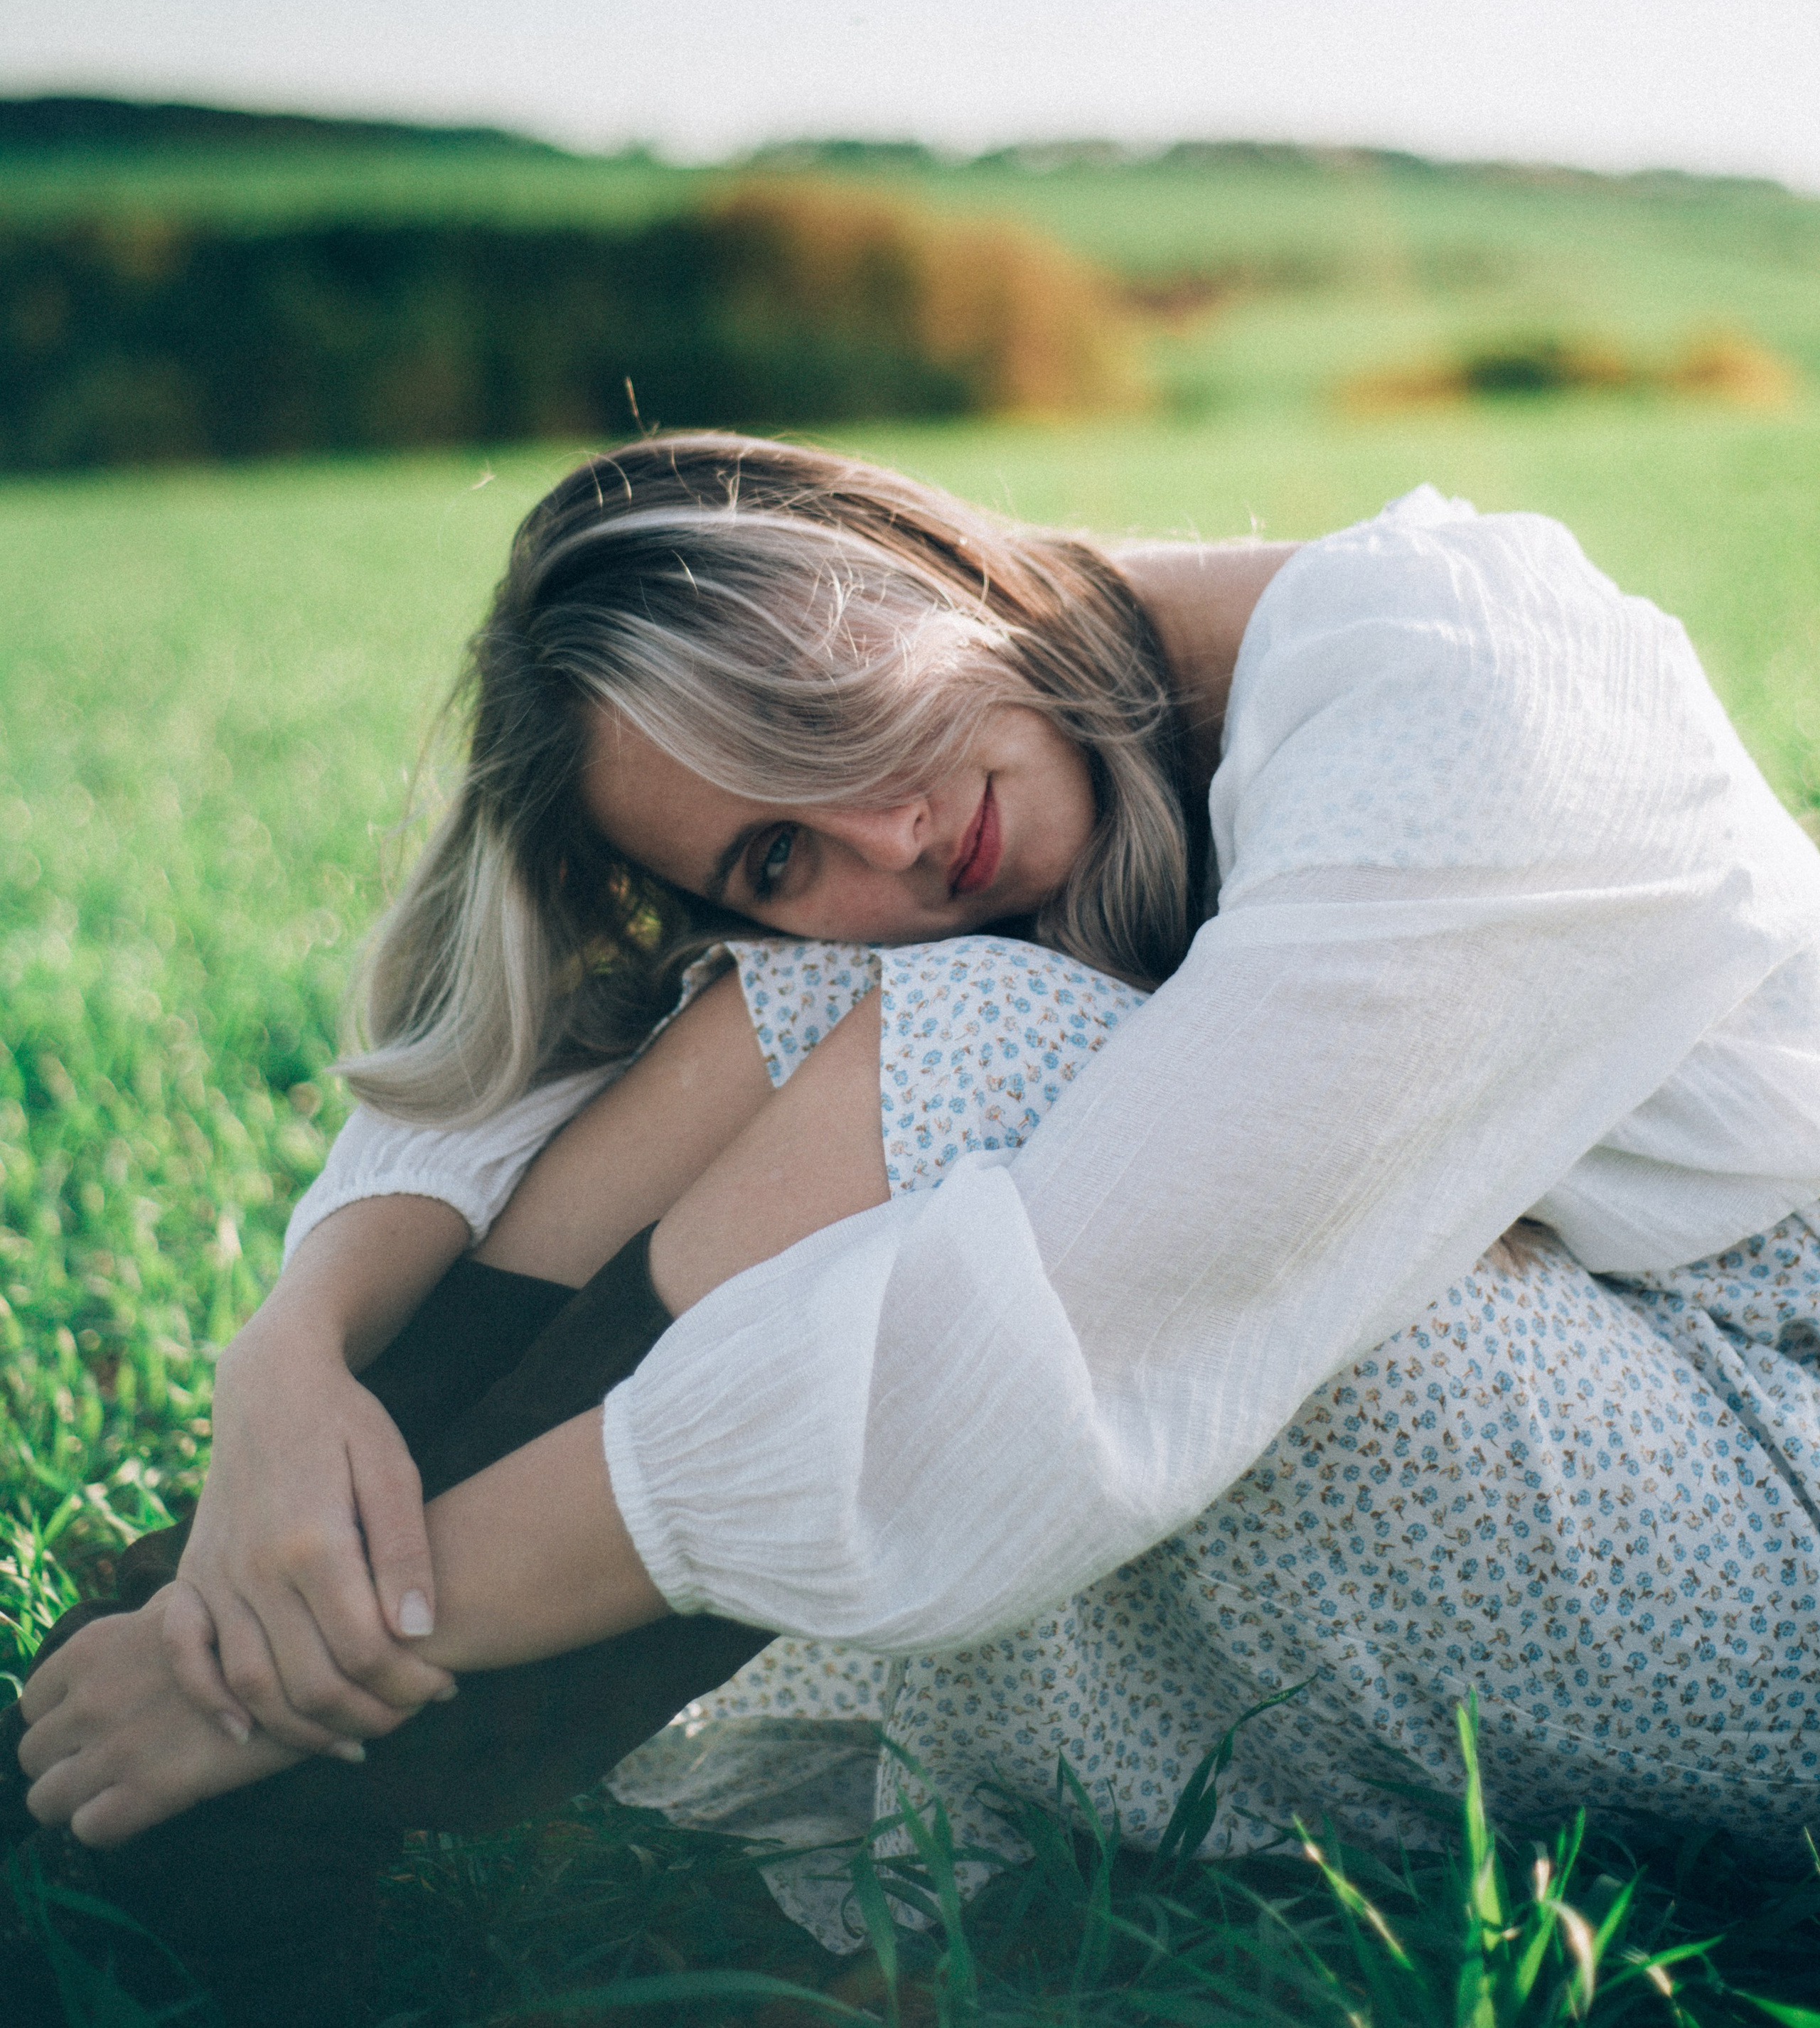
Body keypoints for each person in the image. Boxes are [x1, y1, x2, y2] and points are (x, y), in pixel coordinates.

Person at [10, 434, 1820, 2019]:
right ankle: (248, 1602)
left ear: (894, 550)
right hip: (1614, 1415)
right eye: (773, 848)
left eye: (821, 715)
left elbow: (1070, 1329)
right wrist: (293, 1351)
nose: (884, 835)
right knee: (818, 993)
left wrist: (302, 1665)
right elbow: (532, 1037)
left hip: (1775, 1505)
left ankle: (294, 1732)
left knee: (967, 1029)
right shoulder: (1040, 733)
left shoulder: (1469, 697)